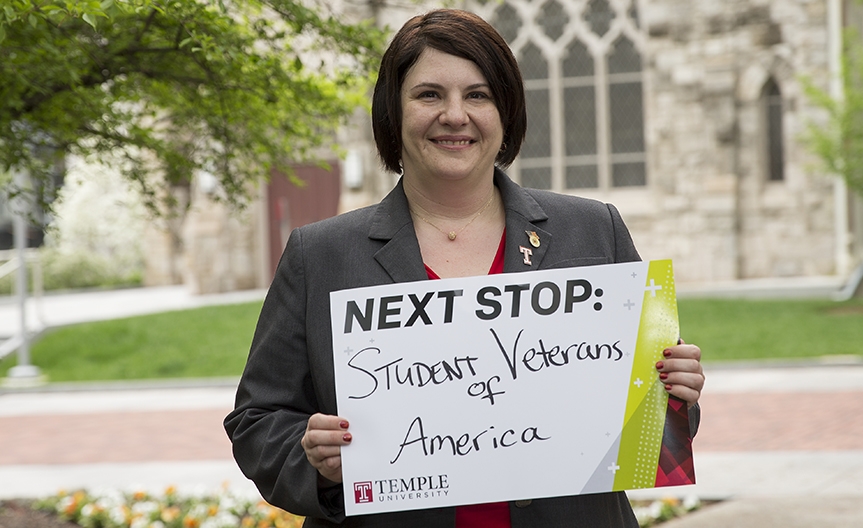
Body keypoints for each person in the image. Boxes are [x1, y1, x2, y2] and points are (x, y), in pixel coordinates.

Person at [224, 8, 705, 528]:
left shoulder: (594, 229)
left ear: (506, 112)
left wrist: (673, 392)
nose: (455, 115)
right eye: (429, 94)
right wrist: (312, 460)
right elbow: (256, 422)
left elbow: (650, 427)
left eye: (478, 95)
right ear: (393, 112)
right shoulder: (319, 255)